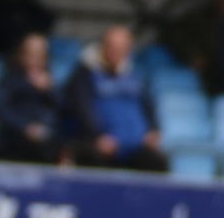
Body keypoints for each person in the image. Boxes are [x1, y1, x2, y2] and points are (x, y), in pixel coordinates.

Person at [61, 25, 168, 173]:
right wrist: (98, 136)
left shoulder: (136, 76)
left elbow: (149, 105)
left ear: (129, 50)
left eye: (121, 48)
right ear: (103, 46)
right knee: (92, 156)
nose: (115, 52)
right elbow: (83, 109)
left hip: (135, 145)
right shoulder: (85, 75)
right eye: (112, 46)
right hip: (101, 143)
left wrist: (154, 130)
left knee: (157, 161)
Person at [0, 33, 64, 165]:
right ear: (22, 54)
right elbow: (1, 109)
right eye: (31, 53)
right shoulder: (11, 78)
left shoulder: (50, 81)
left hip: (45, 138)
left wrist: (49, 90)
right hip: (15, 136)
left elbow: (63, 109)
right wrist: (25, 127)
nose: (35, 58)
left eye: (39, 54)